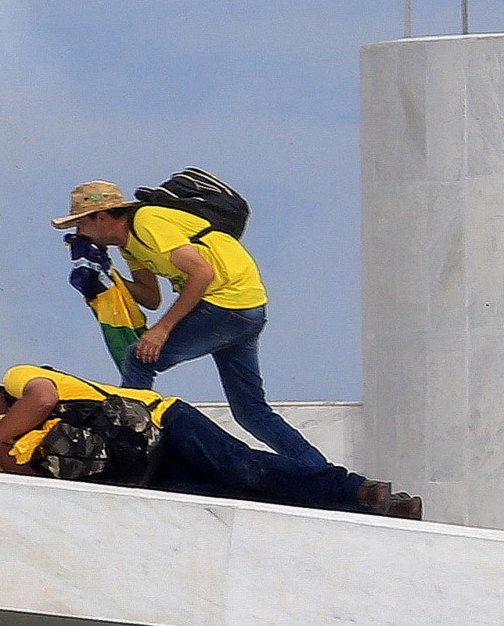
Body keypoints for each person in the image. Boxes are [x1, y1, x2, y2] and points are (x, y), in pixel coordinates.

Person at [51, 180, 325, 465]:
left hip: (228, 303)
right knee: (250, 412)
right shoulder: (129, 244)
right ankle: (324, 473)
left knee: (139, 357)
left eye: (80, 222)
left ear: (103, 217)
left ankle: (131, 447)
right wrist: (105, 275)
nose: (77, 232)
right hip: (243, 307)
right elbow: (150, 297)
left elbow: (202, 274)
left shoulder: (147, 221)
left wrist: (162, 329)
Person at [0, 366, 421, 519]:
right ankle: (375, 513)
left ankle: (360, 489)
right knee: (245, 500)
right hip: (141, 475)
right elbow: (37, 479)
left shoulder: (18, 381)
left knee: (245, 469)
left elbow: (43, 399)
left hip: (162, 425)